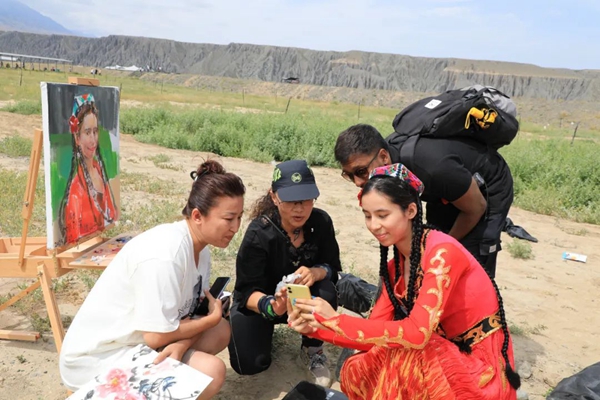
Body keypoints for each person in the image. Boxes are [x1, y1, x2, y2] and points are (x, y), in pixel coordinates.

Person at [287, 163, 520, 399]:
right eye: (367, 216)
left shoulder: (442, 253)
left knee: (409, 352)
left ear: (410, 211)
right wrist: (316, 327)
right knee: (357, 367)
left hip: (478, 367)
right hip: (440, 353)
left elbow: (417, 334)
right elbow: (375, 331)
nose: (374, 225)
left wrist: (336, 320)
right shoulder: (395, 267)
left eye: (382, 215)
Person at [59, 160, 245, 400]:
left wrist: (183, 343)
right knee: (212, 370)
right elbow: (156, 336)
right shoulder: (166, 255)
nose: (236, 227)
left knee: (220, 330)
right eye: (229, 219)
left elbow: (190, 316)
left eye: (239, 217)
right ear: (198, 216)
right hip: (100, 356)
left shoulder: (201, 249)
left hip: (139, 341)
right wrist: (210, 320)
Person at [334, 124, 513, 278]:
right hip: (444, 189)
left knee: (468, 258)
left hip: (486, 187)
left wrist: (437, 250)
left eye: (361, 172)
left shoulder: (432, 167)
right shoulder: (388, 165)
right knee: (431, 241)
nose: (358, 182)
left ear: (383, 157)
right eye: (349, 175)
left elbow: (476, 208)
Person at [228, 160, 341, 387]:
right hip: (263, 304)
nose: (299, 208)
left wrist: (317, 272)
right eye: (290, 200)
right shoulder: (259, 233)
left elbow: (333, 268)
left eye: (306, 199)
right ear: (274, 197)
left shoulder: (320, 222)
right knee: (249, 364)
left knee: (327, 290)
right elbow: (245, 291)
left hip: (303, 301)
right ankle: (265, 330)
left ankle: (312, 348)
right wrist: (272, 306)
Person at [58, 93, 117, 246]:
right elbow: (74, 245)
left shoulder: (99, 169)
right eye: (87, 132)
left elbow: (111, 215)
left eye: (95, 131)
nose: (93, 139)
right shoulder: (76, 192)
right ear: (77, 138)